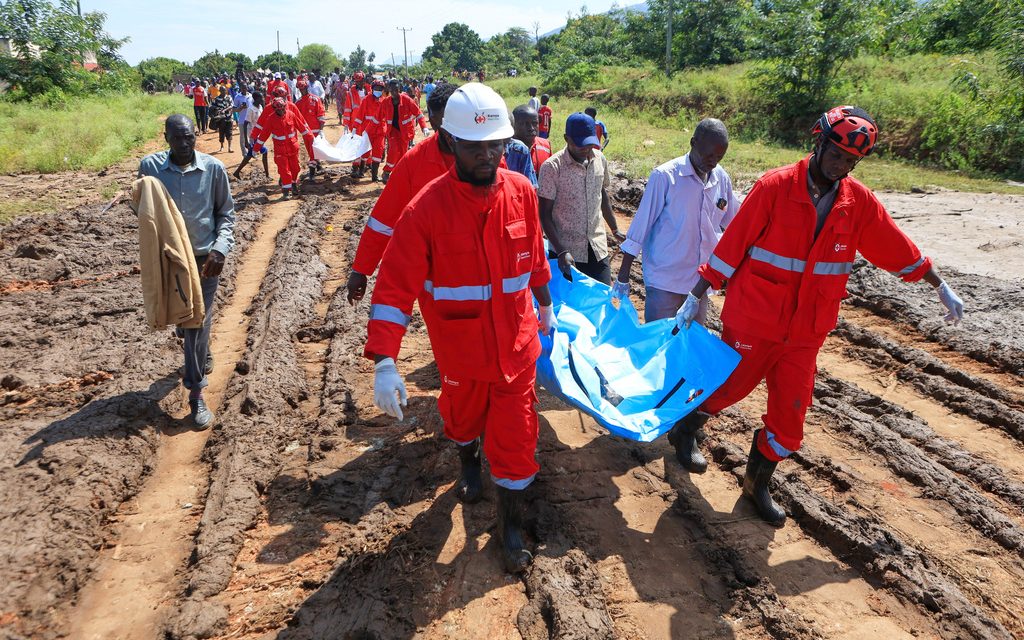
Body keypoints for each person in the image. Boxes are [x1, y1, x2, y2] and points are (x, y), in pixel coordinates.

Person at [671, 106, 966, 526]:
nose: (841, 166)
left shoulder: (856, 202)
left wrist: (937, 283)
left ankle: (756, 486)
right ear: (819, 143)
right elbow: (733, 244)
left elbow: (893, 244)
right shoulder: (774, 187)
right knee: (727, 389)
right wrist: (694, 294)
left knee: (790, 422)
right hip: (755, 318)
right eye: (836, 155)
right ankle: (685, 428)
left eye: (850, 161)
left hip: (806, 330)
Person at [365, 83, 554, 574]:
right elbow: (394, 286)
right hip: (460, 351)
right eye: (477, 147)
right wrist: (386, 359)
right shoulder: (426, 208)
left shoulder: (522, 194)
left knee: (516, 441)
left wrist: (547, 306)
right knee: (462, 420)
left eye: (497, 145)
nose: (489, 156)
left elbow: (534, 258)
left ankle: (509, 529)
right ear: (450, 143)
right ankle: (468, 458)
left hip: (516, 347)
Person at [138, 114, 235, 427]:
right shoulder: (150, 169)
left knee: (196, 324)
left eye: (189, 137)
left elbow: (226, 215)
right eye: (176, 138)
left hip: (205, 260)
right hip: (169, 260)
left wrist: (220, 249)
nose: (183, 144)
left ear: (196, 135)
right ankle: (200, 350)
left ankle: (195, 394)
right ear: (165, 137)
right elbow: (142, 207)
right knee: (182, 318)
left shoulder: (214, 170)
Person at [613, 118, 739, 324]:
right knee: (659, 343)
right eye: (709, 155)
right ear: (693, 142)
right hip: (665, 280)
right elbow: (640, 226)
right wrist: (624, 273)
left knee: (688, 347)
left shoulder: (721, 178)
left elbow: (734, 224)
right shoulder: (665, 177)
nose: (713, 162)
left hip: (699, 286)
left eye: (719, 157)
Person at [346, 83, 459, 304]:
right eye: (444, 122)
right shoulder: (414, 163)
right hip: (436, 277)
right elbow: (383, 219)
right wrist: (361, 269)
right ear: (434, 120)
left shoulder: (488, 158)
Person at [538, 112, 625, 285]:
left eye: (589, 144)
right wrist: (561, 251)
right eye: (579, 145)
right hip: (567, 253)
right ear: (566, 138)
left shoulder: (600, 159)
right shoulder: (552, 168)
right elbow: (544, 214)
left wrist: (615, 229)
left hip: (597, 247)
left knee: (602, 300)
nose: (585, 149)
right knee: (570, 308)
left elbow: (602, 195)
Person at [250, 97, 315, 200]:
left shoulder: (291, 115)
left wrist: (312, 138)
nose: (281, 110)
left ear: (285, 106)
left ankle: (293, 184)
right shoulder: (271, 119)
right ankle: (286, 192)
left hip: (293, 148)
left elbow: (302, 128)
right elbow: (263, 135)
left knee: (295, 169)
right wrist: (255, 149)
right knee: (284, 171)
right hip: (280, 150)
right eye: (278, 109)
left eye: (282, 108)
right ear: (274, 109)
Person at [354, 79, 389, 182]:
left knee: (378, 152)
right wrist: (355, 127)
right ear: (372, 89)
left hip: (380, 131)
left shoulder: (384, 101)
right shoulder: (366, 100)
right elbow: (360, 115)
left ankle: (374, 176)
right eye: (376, 88)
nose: (378, 90)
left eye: (380, 89)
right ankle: (361, 170)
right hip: (368, 130)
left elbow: (388, 117)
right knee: (365, 151)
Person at [233, 92, 270, 179]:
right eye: (261, 98)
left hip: (259, 134)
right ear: (256, 99)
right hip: (253, 135)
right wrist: (246, 140)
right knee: (264, 151)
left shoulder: (260, 107)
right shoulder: (251, 109)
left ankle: (237, 172)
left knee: (250, 154)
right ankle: (267, 175)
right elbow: (245, 124)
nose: (263, 100)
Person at [295, 77, 327, 179]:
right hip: (305, 132)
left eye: (303, 88)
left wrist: (321, 130)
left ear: (307, 88)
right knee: (311, 151)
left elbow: (321, 115)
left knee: (313, 152)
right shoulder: (298, 103)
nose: (301, 91)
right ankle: (319, 166)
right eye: (300, 89)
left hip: (316, 131)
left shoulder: (316, 99)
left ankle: (312, 175)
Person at [511, 104, 551, 175]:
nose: (531, 128)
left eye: (535, 123)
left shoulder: (545, 145)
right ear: (513, 125)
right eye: (525, 124)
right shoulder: (506, 150)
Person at [209, 88, 235, 153]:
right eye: (222, 90)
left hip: (229, 118)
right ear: (219, 91)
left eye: (224, 90)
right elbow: (212, 106)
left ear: (226, 91)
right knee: (221, 132)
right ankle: (222, 146)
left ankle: (229, 147)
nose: (223, 91)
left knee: (229, 132)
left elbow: (231, 106)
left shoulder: (229, 97)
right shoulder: (217, 98)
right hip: (220, 118)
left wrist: (224, 110)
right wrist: (217, 110)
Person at [233, 84, 253, 156]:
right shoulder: (237, 97)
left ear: (247, 88)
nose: (244, 89)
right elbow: (234, 109)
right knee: (243, 137)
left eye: (245, 88)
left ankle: (252, 152)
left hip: (250, 119)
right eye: (242, 88)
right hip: (242, 120)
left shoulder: (250, 96)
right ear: (240, 88)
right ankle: (244, 153)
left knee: (251, 136)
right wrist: (240, 108)